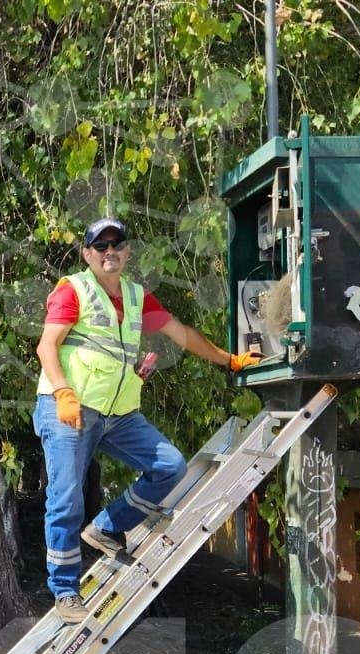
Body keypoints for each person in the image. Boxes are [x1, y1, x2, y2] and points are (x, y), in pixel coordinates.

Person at [34, 217, 260, 623]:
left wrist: (229, 360)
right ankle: (65, 591)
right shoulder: (74, 290)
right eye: (100, 245)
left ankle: (106, 527)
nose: (109, 251)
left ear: (127, 253)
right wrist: (63, 392)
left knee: (170, 466)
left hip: (118, 414)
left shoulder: (137, 297)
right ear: (87, 254)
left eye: (116, 244)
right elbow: (47, 346)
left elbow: (182, 334)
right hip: (69, 408)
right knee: (66, 500)